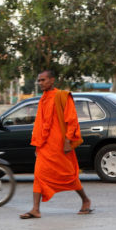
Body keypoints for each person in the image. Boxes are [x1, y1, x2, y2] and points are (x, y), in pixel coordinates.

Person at [20, 70, 92, 220]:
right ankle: (35, 209)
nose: (40, 83)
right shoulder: (43, 99)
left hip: (60, 144)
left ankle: (85, 200)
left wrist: (67, 141)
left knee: (68, 175)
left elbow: (71, 120)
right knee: (39, 175)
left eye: (43, 80)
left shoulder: (62, 96)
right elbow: (40, 124)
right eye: (39, 81)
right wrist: (37, 144)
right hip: (45, 145)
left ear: (52, 80)